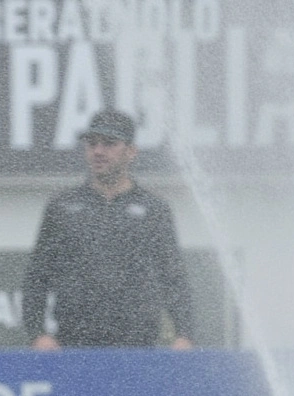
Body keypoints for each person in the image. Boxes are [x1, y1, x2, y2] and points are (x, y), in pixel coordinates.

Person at [22, 109, 194, 349]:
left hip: (138, 344)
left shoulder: (153, 209)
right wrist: (37, 333)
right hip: (74, 344)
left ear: (131, 152)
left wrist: (184, 334)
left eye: (110, 144)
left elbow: (173, 277)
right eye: (92, 144)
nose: (98, 151)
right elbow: (37, 277)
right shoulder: (62, 207)